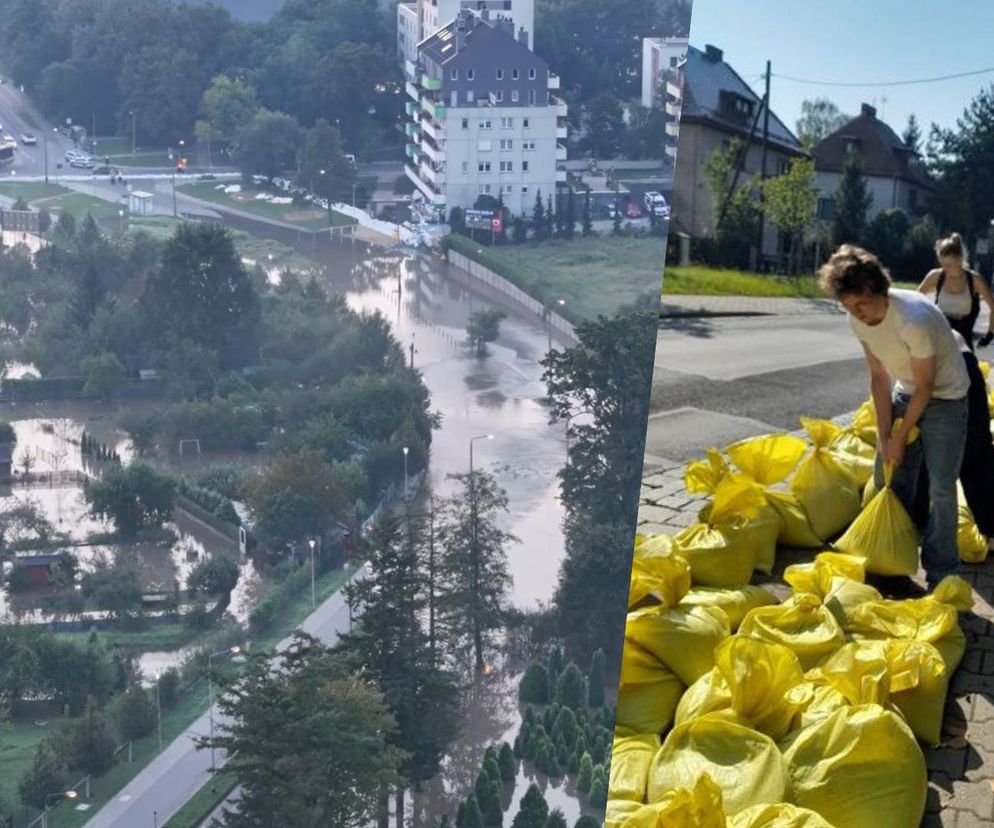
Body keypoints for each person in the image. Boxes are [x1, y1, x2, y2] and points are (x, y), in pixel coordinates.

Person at [819, 244, 969, 588]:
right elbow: (878, 377)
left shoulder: (912, 320)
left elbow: (927, 387)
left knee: (942, 487)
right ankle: (890, 558)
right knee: (887, 472)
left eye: (861, 304)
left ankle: (941, 570)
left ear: (878, 289)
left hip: (946, 397)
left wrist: (901, 438)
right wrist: (885, 439)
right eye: (848, 307)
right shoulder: (857, 320)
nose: (856, 313)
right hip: (906, 390)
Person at [918, 232, 994, 350]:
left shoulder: (974, 280)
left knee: (970, 367)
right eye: (942, 264)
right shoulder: (936, 276)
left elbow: (992, 307)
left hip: (963, 340)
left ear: (959, 260)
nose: (945, 269)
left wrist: (990, 334)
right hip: (939, 336)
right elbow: (914, 300)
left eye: (949, 265)